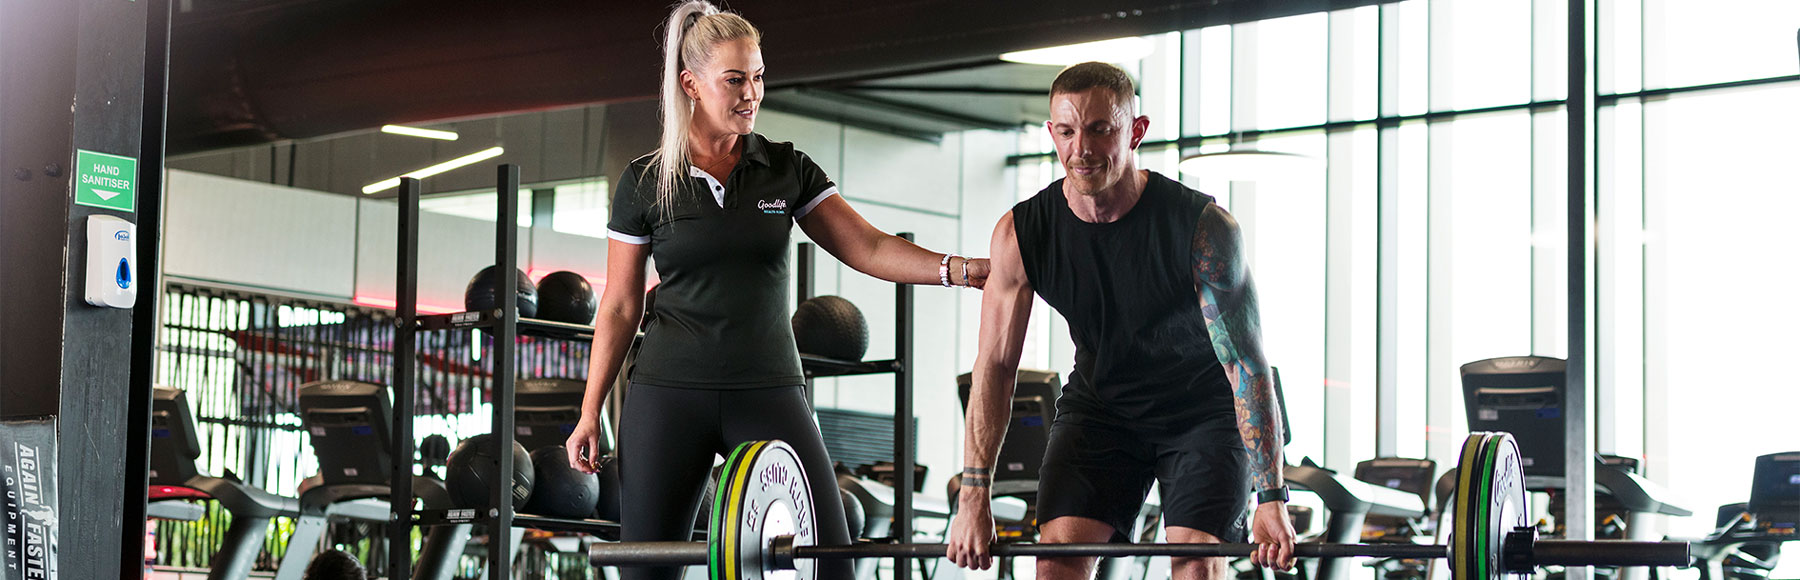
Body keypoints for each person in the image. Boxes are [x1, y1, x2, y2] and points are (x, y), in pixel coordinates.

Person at [563, 3, 988, 580]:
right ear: (691, 83)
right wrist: (590, 411)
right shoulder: (645, 181)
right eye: (735, 79)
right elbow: (618, 305)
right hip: (669, 394)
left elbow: (867, 247)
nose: (752, 93)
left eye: (758, 76)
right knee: (647, 572)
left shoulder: (785, 168)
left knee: (829, 562)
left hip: (766, 388)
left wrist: (960, 269)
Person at [947, 62, 1297, 580]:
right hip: (1102, 409)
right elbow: (995, 364)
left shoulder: (1203, 229)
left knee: (1194, 564)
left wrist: (1271, 494)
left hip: (1202, 412)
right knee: (1056, 564)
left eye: (1099, 129)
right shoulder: (1023, 233)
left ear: (1135, 131)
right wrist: (974, 496)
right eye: (1066, 131)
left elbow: (1246, 364)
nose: (1081, 148)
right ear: (1052, 134)